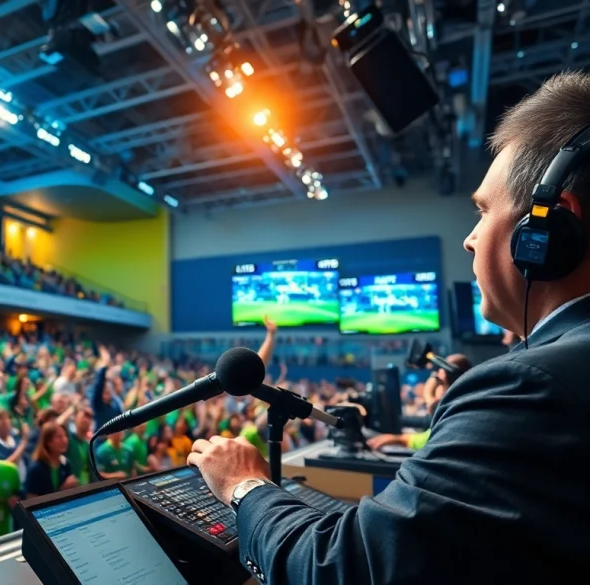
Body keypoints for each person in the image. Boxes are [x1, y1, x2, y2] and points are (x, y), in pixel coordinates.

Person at [187, 72, 590, 584]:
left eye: (484, 211)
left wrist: (245, 486)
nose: (468, 240)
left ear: (550, 227)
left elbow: (339, 570)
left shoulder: (530, 387)